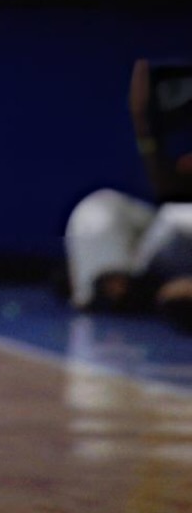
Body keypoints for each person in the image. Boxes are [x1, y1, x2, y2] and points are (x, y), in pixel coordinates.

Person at [65, 57, 192, 321]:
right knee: (97, 209)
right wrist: (143, 123)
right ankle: (124, 287)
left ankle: (165, 292)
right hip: (173, 235)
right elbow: (168, 190)